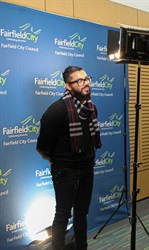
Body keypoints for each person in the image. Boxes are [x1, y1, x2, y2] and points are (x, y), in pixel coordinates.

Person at [36, 66, 102, 250]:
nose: (86, 83)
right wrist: (57, 161)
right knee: (63, 215)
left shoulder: (91, 108)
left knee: (82, 213)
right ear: (68, 86)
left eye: (87, 78)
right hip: (65, 171)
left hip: (87, 168)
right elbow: (42, 146)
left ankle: (82, 247)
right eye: (79, 81)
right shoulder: (56, 111)